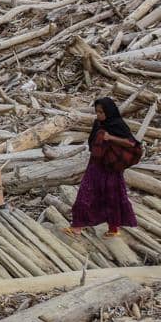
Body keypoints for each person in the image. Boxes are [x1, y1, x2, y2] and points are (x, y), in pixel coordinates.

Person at [66, 98, 139, 238]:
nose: (98, 115)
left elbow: (131, 143)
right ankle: (77, 226)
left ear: (109, 111)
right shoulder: (98, 123)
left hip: (111, 167)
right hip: (96, 164)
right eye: (97, 112)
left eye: (101, 112)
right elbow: (92, 142)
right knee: (85, 193)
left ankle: (113, 228)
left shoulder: (117, 124)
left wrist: (110, 138)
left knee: (113, 195)